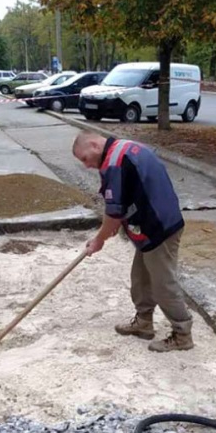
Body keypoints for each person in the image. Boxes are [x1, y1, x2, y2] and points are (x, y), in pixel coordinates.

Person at [72, 131, 194, 352]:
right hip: (149, 226)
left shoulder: (114, 163)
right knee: (141, 277)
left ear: (94, 145)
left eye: (85, 158)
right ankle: (144, 322)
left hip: (160, 228)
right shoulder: (123, 148)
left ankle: (182, 334)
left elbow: (113, 214)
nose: (86, 165)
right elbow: (130, 193)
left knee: (163, 284)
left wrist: (98, 240)